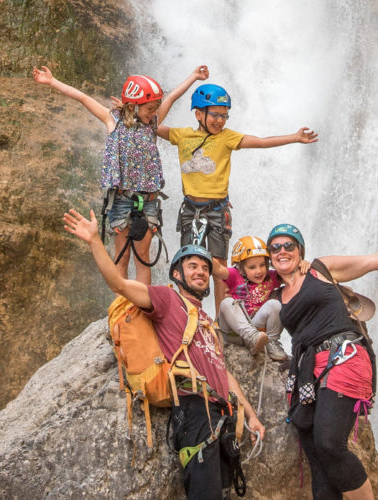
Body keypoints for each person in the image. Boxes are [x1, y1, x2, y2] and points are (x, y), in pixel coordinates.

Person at [62, 208, 265, 499]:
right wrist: (94, 240)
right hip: (194, 409)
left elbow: (223, 371)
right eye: (193, 266)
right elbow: (118, 285)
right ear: (176, 273)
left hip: (223, 413)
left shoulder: (208, 322)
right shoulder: (167, 300)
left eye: (205, 269)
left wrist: (251, 415)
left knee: (221, 492)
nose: (201, 272)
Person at [267, 223, 378, 500]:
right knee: (316, 454)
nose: (282, 251)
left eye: (288, 245)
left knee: (329, 443)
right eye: (275, 247)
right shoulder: (276, 296)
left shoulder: (320, 269)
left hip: (344, 356)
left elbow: (370, 262)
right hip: (307, 372)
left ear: (300, 249)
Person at [33, 64, 209, 284]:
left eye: (155, 108)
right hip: (122, 200)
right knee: (121, 257)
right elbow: (83, 98)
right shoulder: (112, 121)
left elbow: (172, 98)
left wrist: (193, 76)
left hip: (148, 201)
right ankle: (121, 306)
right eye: (150, 108)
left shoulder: (152, 124)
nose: (154, 113)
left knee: (143, 259)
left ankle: (143, 308)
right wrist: (52, 81)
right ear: (133, 105)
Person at [155, 83, 318, 308]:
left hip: (216, 210)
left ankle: (222, 320)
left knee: (220, 265)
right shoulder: (181, 136)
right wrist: (131, 112)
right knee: (190, 262)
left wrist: (294, 137)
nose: (220, 120)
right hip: (190, 209)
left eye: (224, 116)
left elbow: (260, 142)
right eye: (215, 114)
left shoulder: (227, 138)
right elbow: (150, 126)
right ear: (198, 113)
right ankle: (190, 312)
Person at [212, 235, 307, 362]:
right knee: (226, 302)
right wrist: (202, 254)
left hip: (256, 331)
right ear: (240, 268)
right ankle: (251, 336)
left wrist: (302, 263)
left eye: (262, 265)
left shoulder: (271, 277)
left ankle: (271, 342)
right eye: (252, 267)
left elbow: (291, 273)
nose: (259, 271)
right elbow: (218, 269)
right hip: (232, 332)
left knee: (275, 304)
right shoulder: (234, 275)